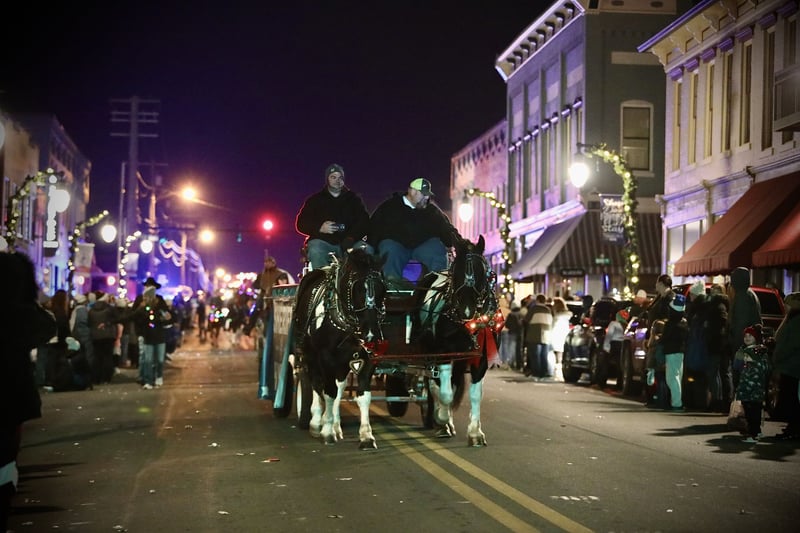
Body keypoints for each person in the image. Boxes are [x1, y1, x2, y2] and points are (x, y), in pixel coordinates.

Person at [1, 252, 56, 531]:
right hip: (11, 394)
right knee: (7, 454)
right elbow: (46, 326)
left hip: (12, 394)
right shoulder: (20, 314)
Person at [368, 177, 461, 288]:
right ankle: (392, 284)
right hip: (397, 246)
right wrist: (371, 247)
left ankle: (438, 285)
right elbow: (374, 227)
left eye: (428, 195)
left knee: (437, 247)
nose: (427, 198)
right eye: (423, 194)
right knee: (388, 247)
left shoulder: (431, 211)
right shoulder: (390, 207)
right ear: (412, 191)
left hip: (421, 247)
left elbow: (446, 228)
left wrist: (459, 243)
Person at [295, 163, 371, 270]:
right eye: (333, 177)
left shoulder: (354, 200)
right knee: (316, 249)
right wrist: (320, 227)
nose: (337, 180)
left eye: (340, 177)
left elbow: (364, 222)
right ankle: (321, 278)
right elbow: (301, 223)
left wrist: (351, 237)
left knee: (367, 249)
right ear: (327, 179)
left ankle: (362, 280)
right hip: (324, 242)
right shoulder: (315, 200)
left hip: (349, 243)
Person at [132, 278, 172, 389]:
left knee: (156, 359)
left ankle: (154, 377)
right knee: (145, 357)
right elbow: (134, 315)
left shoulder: (159, 300)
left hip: (157, 333)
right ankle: (145, 378)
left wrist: (164, 318)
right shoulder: (140, 299)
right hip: (144, 332)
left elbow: (166, 314)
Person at [733, 325, 770, 443]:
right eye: (746, 335)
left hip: (752, 386)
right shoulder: (746, 350)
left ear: (756, 337)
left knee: (751, 411)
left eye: (750, 335)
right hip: (751, 385)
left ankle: (752, 434)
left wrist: (750, 360)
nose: (747, 338)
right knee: (754, 410)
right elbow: (737, 366)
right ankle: (756, 431)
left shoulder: (759, 351)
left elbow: (766, 367)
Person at [771, 292, 800, 440]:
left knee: (791, 397)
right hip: (788, 364)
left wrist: (780, 355)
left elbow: (793, 344)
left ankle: (794, 427)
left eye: (787, 304)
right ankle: (792, 426)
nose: (785, 307)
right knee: (789, 395)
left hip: (792, 365)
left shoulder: (796, 321)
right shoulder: (791, 319)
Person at [727, 267, 762, 388]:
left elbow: (740, 325)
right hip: (749, 343)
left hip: (743, 345)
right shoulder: (749, 293)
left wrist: (736, 346)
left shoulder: (743, 296)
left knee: (741, 376)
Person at [657, 293, 689, 411]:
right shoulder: (684, 322)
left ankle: (677, 403)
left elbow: (665, 338)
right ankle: (676, 401)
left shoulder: (671, 323)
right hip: (680, 352)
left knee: (672, 378)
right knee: (677, 376)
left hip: (671, 352)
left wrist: (659, 340)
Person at [684, 279, 710, 409]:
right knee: (700, 377)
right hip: (700, 347)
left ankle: (696, 403)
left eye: (691, 295)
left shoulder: (698, 309)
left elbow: (695, 331)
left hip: (697, 347)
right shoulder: (704, 307)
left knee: (696, 376)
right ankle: (698, 402)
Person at [706, 283, 731, 412]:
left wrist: (711, 327)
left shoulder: (718, 305)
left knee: (715, 373)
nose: (711, 293)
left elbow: (722, 321)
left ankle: (718, 401)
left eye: (713, 290)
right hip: (720, 343)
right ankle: (723, 400)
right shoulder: (720, 304)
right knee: (722, 373)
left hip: (717, 343)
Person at [523, 294, 553, 379]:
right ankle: (544, 372)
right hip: (546, 334)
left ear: (537, 300)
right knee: (544, 354)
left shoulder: (534, 309)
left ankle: (536, 372)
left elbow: (526, 320)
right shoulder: (548, 310)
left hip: (534, 334)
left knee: (535, 355)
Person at [550, 297, 573, 380]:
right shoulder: (568, 316)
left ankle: (556, 373)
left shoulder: (557, 317)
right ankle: (559, 373)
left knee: (556, 356)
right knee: (561, 356)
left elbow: (553, 327)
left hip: (556, 336)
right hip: (564, 337)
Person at [499, 302, 522, 370]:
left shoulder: (497, 310)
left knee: (500, 345)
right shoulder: (508, 311)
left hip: (499, 330)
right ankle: (506, 361)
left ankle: (500, 361)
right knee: (506, 346)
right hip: (507, 330)